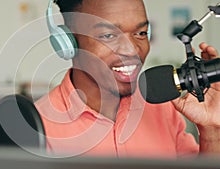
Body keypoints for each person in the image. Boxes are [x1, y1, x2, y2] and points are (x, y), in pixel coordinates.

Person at [35, 0, 220, 158]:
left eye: (140, 33)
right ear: (68, 42)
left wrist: (210, 130)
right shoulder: (38, 127)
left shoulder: (162, 108)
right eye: (108, 35)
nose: (131, 50)